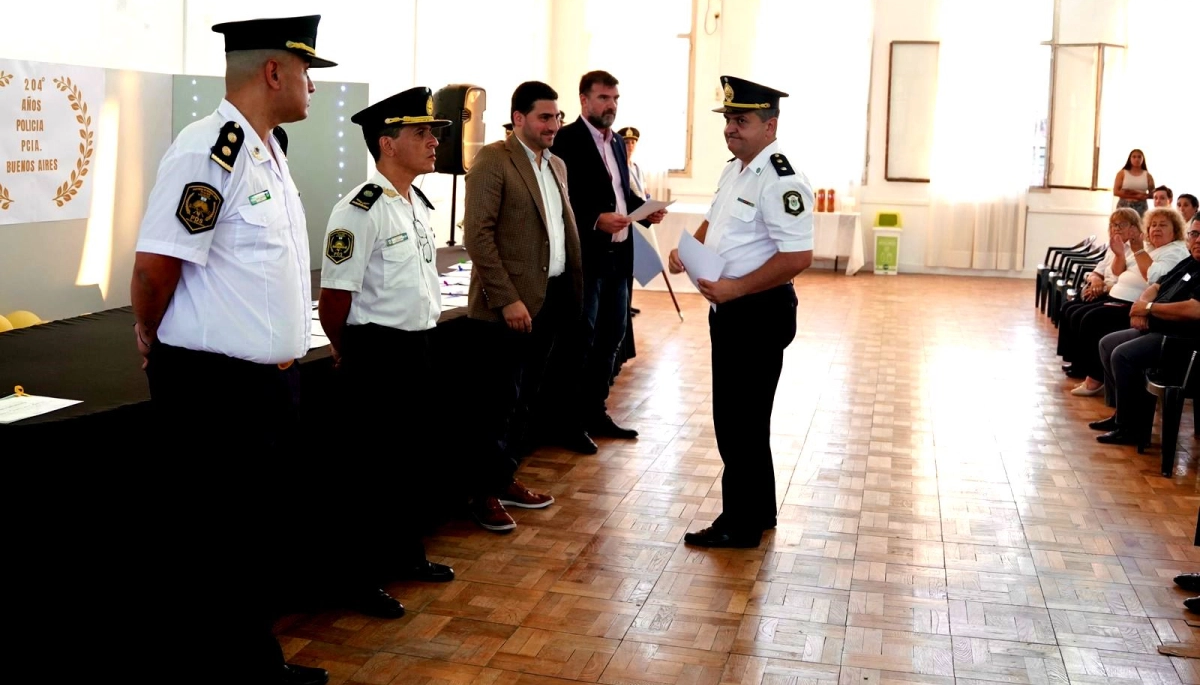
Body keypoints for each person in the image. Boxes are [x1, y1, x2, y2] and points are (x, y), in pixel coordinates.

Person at [129, 15, 335, 685]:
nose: (312, 85)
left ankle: (253, 661)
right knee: (217, 541)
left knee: (256, 538)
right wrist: (148, 332)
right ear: (273, 72)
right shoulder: (210, 150)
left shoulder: (264, 148)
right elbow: (157, 266)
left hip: (268, 385)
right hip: (217, 388)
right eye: (306, 71)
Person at [317, 87, 456, 617]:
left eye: (433, 132)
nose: (432, 141)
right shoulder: (359, 209)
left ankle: (404, 555)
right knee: (369, 474)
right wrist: (346, 351)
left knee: (409, 463)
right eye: (420, 132)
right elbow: (334, 298)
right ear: (386, 143)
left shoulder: (414, 203)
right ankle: (359, 579)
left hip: (417, 348)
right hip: (377, 353)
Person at [668, 76, 813, 548]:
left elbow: (797, 257)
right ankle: (760, 509)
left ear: (770, 126)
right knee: (745, 417)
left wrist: (735, 290)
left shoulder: (781, 178)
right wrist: (691, 247)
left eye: (742, 120)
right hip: (733, 307)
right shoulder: (737, 169)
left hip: (756, 310)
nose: (731, 128)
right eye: (729, 119)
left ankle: (739, 523)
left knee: (739, 421)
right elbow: (721, 219)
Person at [462, 81, 583, 532]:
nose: (554, 125)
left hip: (547, 301)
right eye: (544, 118)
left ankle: (505, 478)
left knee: (525, 401)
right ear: (519, 119)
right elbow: (478, 235)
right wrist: (508, 298)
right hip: (504, 309)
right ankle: (482, 494)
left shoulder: (557, 165)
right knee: (494, 404)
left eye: (557, 117)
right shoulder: (494, 160)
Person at [550, 71, 666, 452]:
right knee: (580, 340)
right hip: (589, 256)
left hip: (620, 255)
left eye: (614, 98)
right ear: (583, 100)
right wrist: (595, 220)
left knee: (612, 336)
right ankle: (569, 421)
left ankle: (595, 411)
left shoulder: (616, 143)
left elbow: (620, 196)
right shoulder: (565, 141)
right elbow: (560, 201)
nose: (610, 105)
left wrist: (644, 211)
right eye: (602, 98)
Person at [1091, 215, 1200, 445]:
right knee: (1108, 343)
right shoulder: (1191, 262)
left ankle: (1131, 429)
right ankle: (1123, 414)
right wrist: (1142, 307)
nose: (1197, 240)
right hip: (1161, 328)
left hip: (1183, 342)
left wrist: (1149, 308)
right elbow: (1158, 285)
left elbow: (1194, 310)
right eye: (1194, 234)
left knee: (1122, 354)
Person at [1064, 207, 1189, 396]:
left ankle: (1094, 378)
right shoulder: (1153, 248)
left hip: (1137, 307)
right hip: (1124, 298)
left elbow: (1155, 277)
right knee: (1079, 312)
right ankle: (1087, 370)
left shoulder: (1174, 251)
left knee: (1092, 319)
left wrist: (1143, 306)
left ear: (1176, 230)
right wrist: (1121, 255)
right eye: (1153, 225)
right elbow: (1118, 272)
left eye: (1163, 225)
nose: (1156, 229)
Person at [1113, 149, 1154, 216]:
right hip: (1125, 205)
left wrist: (1141, 195)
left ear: (1143, 159)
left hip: (1141, 205)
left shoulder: (1148, 175)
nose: (1137, 159)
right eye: (1134, 157)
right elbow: (1116, 192)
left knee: (1140, 225)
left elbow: (1152, 194)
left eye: (1139, 157)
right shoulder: (1122, 173)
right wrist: (1135, 195)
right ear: (1130, 159)